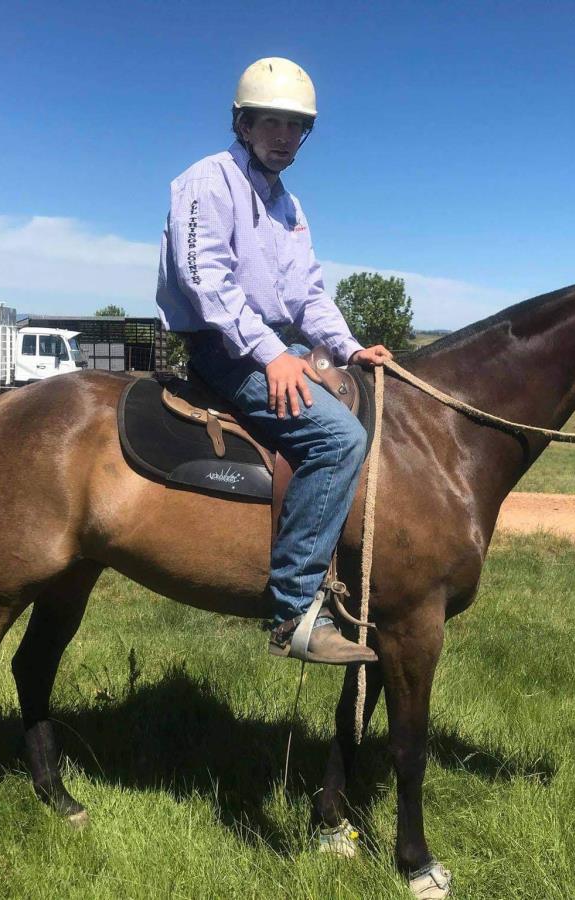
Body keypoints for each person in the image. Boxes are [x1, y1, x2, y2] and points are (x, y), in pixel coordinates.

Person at [156, 57, 390, 665]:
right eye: (273, 123)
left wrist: (349, 348)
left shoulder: (289, 206)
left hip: (272, 343)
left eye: (296, 127)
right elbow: (204, 279)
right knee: (338, 439)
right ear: (243, 123)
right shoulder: (208, 181)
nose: (285, 137)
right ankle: (296, 609)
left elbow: (308, 294)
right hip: (224, 348)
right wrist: (272, 356)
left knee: (364, 404)